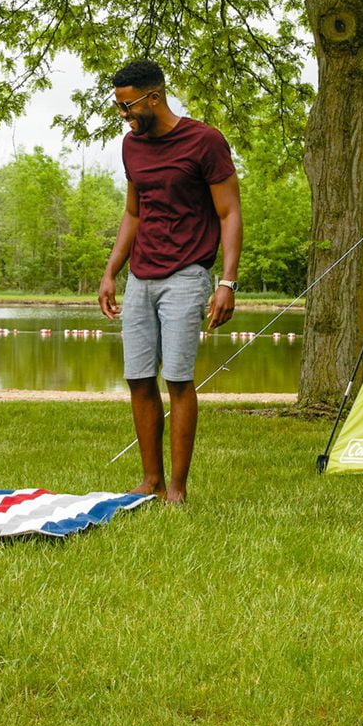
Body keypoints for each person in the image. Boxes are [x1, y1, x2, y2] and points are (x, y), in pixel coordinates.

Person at [99, 60, 242, 504]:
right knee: (138, 379)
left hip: (187, 274)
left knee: (178, 380)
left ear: (154, 97)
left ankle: (177, 489)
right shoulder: (132, 147)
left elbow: (229, 213)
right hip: (141, 276)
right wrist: (111, 271)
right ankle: (151, 481)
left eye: (128, 106)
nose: (124, 115)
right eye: (119, 107)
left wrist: (228, 281)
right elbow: (133, 213)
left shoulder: (204, 141)